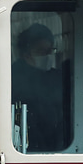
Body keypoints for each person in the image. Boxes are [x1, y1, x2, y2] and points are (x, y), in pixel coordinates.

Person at [11, 23, 67, 152]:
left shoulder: (57, 77)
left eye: (50, 51)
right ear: (26, 53)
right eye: (41, 52)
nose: (47, 56)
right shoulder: (13, 77)